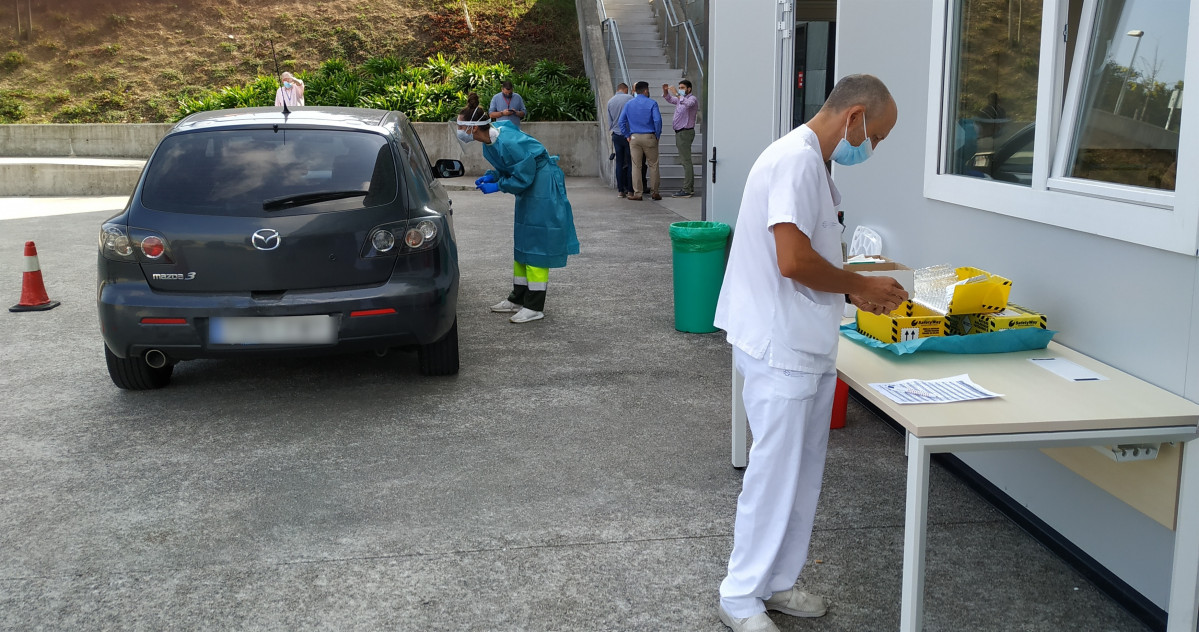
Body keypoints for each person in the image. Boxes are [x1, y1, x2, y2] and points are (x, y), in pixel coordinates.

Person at [712, 74, 906, 632]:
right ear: (855, 118)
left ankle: (774, 583)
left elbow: (811, 250)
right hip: (781, 345)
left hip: (804, 340)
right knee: (774, 475)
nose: (874, 147)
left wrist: (857, 280)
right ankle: (740, 594)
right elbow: (792, 260)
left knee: (801, 474)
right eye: (878, 136)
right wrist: (856, 286)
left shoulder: (814, 163)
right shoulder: (796, 161)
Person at [456, 93, 579, 324]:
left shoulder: (508, 142)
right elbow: (508, 166)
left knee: (536, 243)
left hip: (542, 187)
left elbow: (523, 177)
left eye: (461, 125)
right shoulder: (493, 138)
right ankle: (518, 298)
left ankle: (534, 306)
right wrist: (492, 176)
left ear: (473, 128)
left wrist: (499, 185)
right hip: (531, 188)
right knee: (523, 240)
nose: (459, 130)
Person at [616, 81, 662, 201]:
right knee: (653, 164)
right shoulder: (652, 103)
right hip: (649, 136)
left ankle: (637, 193)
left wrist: (627, 134)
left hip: (634, 137)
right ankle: (655, 192)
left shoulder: (629, 104)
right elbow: (657, 120)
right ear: (646, 90)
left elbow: (621, 121)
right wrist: (657, 134)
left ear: (635, 91)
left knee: (636, 166)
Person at [663, 79, 699, 198]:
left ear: (689, 89)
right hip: (680, 133)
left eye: (682, 88)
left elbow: (688, 104)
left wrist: (677, 94)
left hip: (685, 133)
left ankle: (687, 189)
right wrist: (666, 92)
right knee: (685, 161)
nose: (680, 90)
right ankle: (689, 187)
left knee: (686, 161)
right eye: (679, 87)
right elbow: (670, 99)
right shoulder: (680, 100)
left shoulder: (692, 99)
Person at [606, 83, 635, 198]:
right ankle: (630, 189)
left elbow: (610, 121)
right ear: (626, 89)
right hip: (629, 135)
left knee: (619, 162)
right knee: (630, 163)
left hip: (616, 135)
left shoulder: (610, 101)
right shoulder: (630, 99)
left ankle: (620, 190)